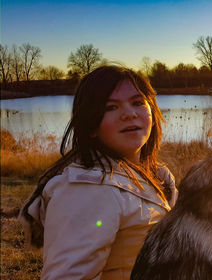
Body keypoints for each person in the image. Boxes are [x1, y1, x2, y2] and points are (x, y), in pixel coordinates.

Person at [19, 66, 177, 279]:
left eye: (138, 102)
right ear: (90, 124)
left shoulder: (153, 175)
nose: (129, 113)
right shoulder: (89, 189)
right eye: (111, 107)